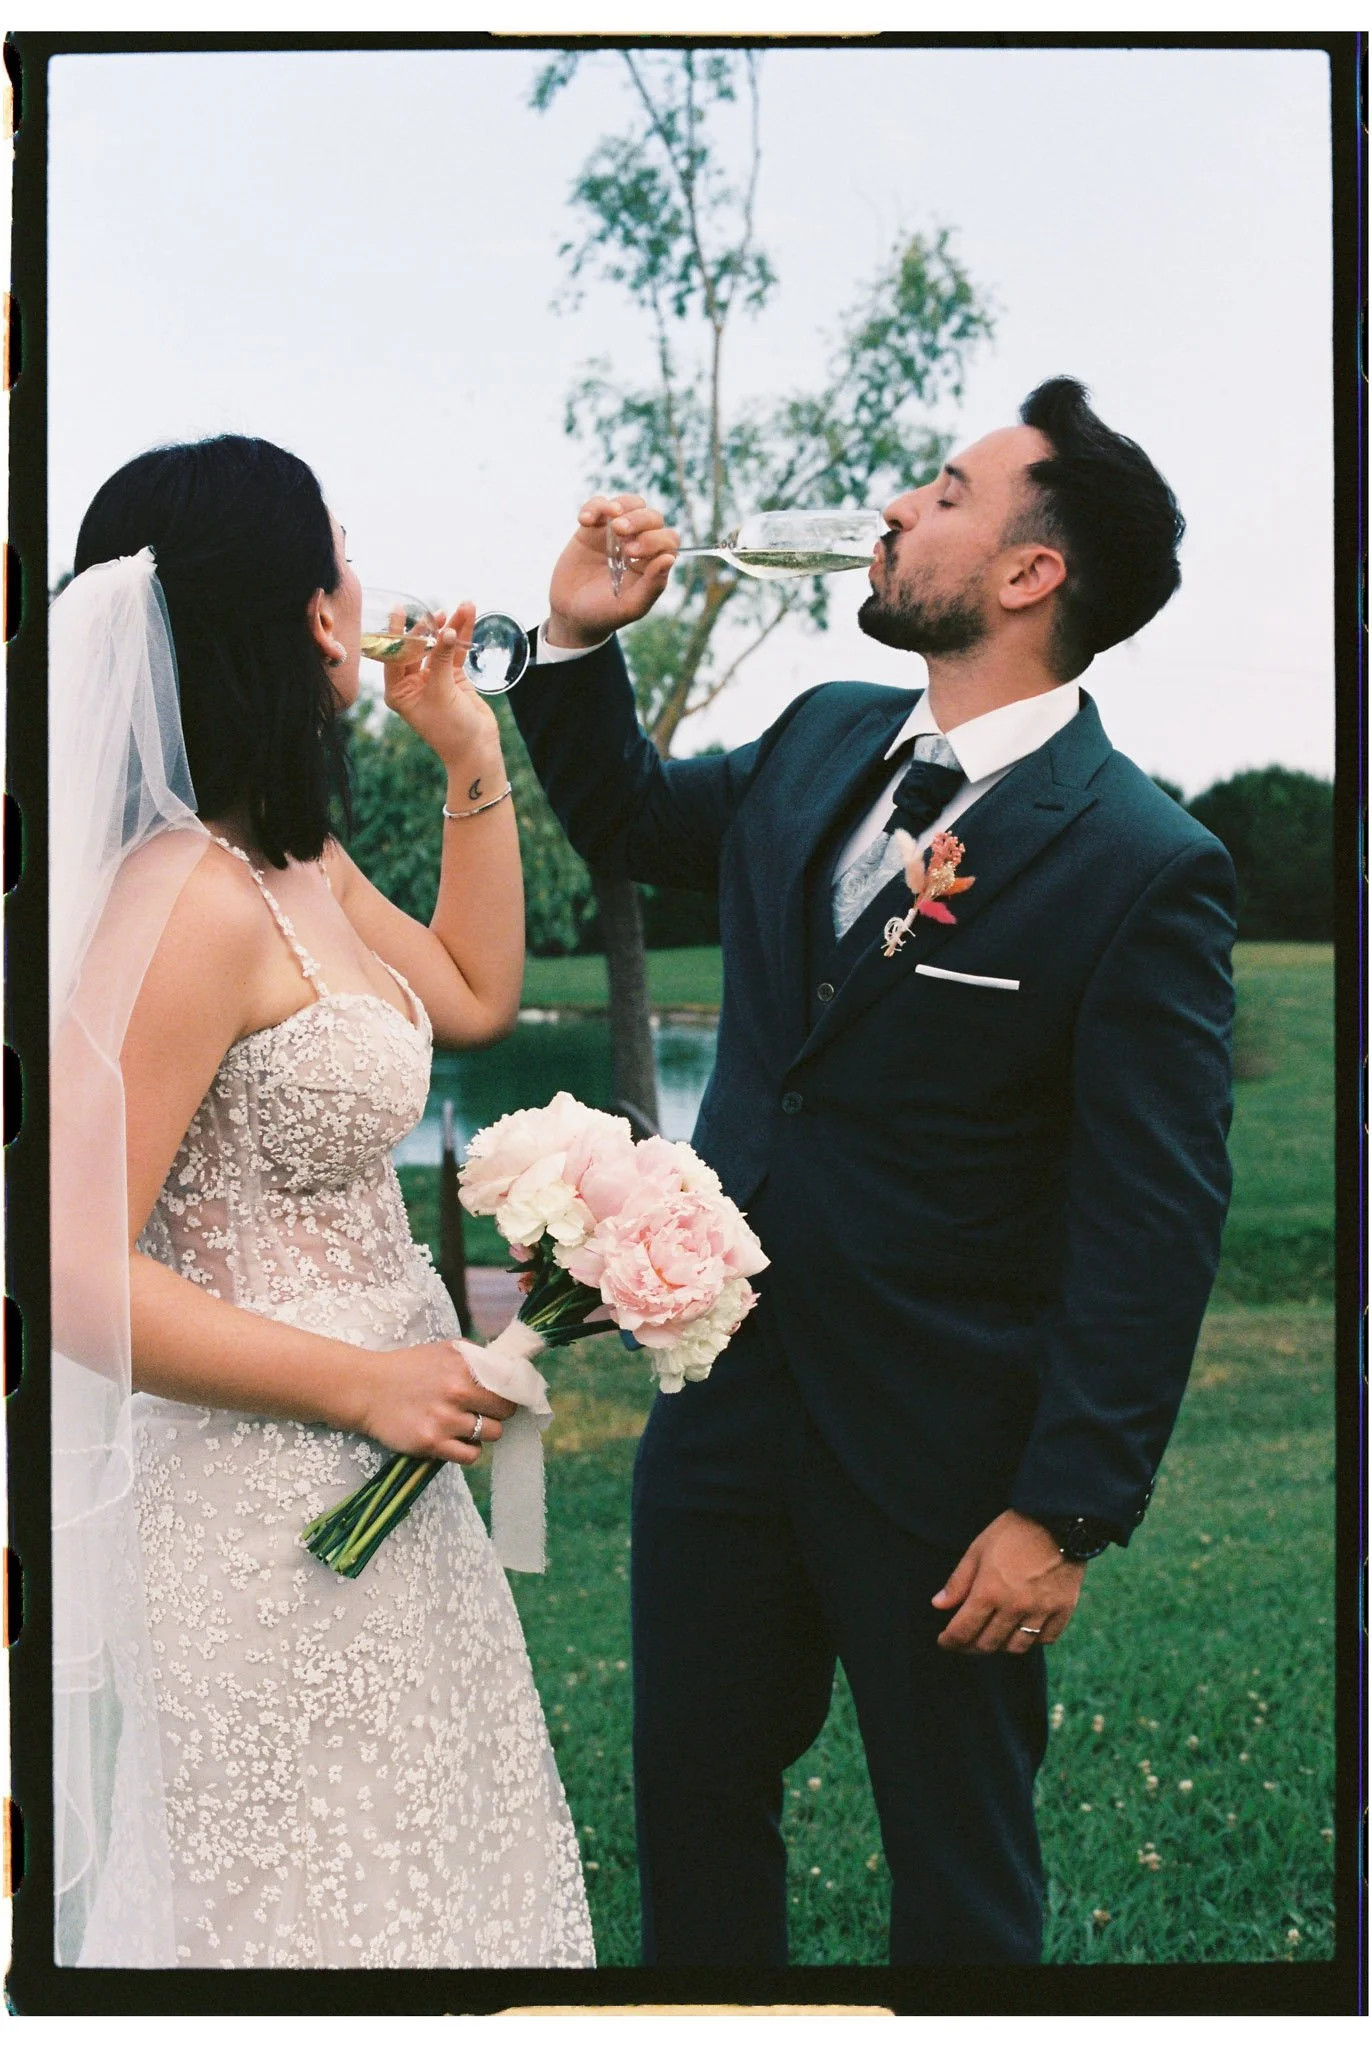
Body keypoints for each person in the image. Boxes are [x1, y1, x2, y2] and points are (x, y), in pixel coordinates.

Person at [509, 377, 1236, 1965]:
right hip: (719, 1431)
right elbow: (630, 817)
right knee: (695, 1821)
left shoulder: (1140, 864)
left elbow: (1155, 1217)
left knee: (960, 1877)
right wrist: (577, 644)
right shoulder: (829, 731)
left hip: (944, 1465)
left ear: (1032, 574)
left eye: (948, 492)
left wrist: (1065, 1507)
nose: (900, 508)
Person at [50, 435, 594, 1969]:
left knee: (430, 1892)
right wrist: (365, 1384)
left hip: (390, 1480)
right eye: (341, 552)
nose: (368, 579)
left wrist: (467, 754)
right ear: (304, 613)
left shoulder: (289, 860)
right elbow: (68, 1270)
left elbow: (480, 994)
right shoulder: (188, 903)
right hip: (258, 1510)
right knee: (307, 1927)